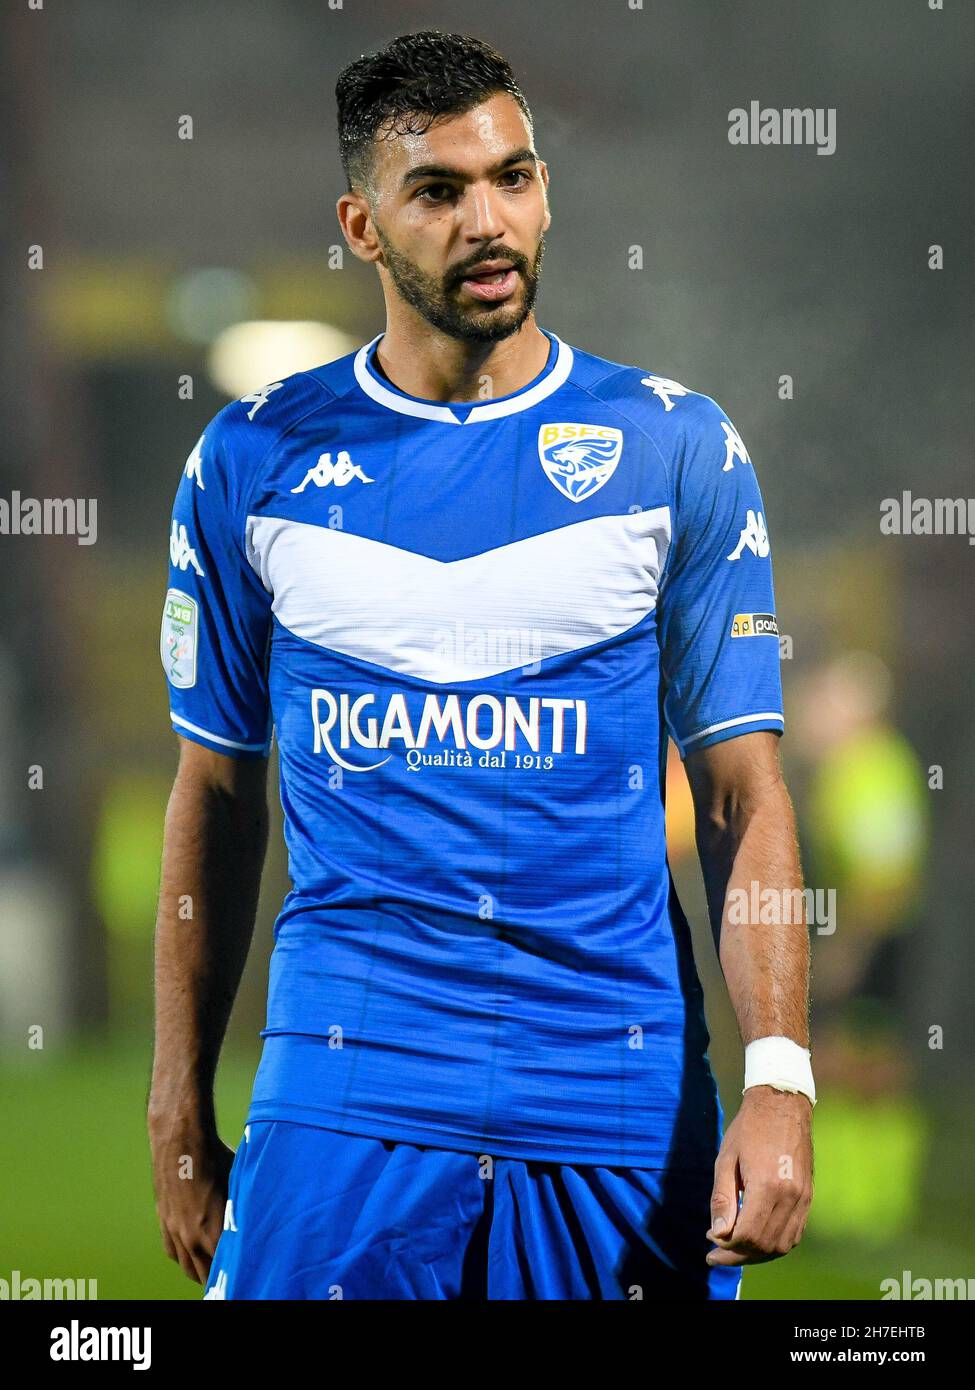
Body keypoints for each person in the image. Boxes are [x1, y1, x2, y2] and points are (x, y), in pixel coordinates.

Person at [149, 29, 813, 1301]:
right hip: (346, 1090)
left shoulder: (675, 447)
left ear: (547, 188)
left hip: (614, 1093)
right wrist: (177, 1105)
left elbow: (741, 795)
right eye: (440, 192)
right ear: (363, 223)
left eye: (512, 178)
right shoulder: (251, 461)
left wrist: (781, 1076)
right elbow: (217, 795)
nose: (488, 220)